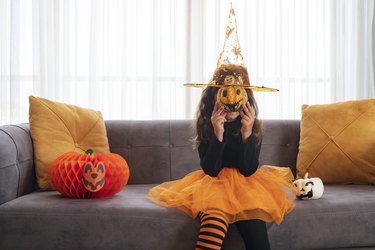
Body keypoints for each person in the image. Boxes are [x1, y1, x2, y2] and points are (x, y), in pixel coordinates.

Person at [148, 64, 297, 250]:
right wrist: (218, 134)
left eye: (237, 92)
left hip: (247, 188)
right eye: (225, 93)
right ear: (215, 96)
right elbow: (211, 170)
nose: (231, 98)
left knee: (257, 237)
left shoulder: (253, 126)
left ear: (246, 96)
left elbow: (248, 169)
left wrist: (247, 133)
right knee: (212, 228)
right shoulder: (207, 125)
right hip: (214, 187)